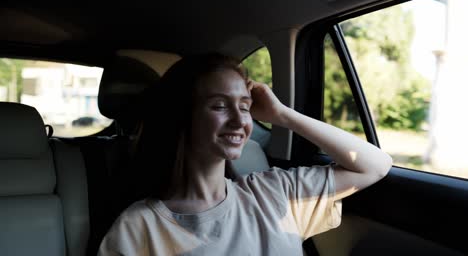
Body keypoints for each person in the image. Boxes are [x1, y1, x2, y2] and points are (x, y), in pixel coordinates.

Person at [97, 52, 392, 255]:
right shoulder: (137, 228)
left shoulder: (276, 192)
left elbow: (375, 165)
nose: (240, 122)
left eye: (245, 106)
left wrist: (281, 114)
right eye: (220, 105)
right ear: (181, 116)